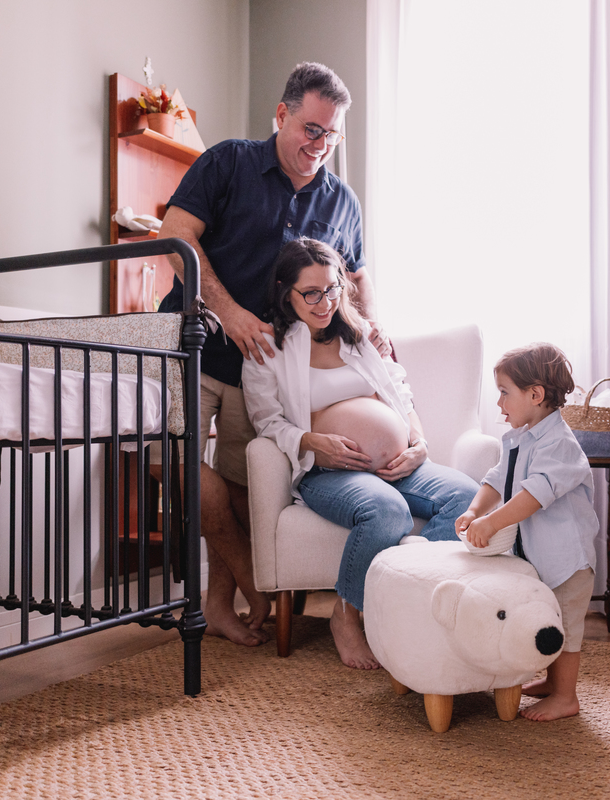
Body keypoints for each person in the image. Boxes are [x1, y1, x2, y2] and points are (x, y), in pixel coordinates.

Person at [156, 62, 389, 646]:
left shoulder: (343, 202)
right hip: (191, 343)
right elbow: (175, 235)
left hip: (260, 370)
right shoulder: (229, 162)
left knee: (241, 484)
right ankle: (250, 578)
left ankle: (218, 606)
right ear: (282, 115)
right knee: (170, 460)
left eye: (331, 135)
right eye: (311, 129)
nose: (320, 145)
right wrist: (229, 314)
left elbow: (356, 281)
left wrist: (374, 327)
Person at [242, 238, 479, 669]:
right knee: (387, 512)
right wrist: (315, 442)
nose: (324, 302)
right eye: (310, 293)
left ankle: (408, 601)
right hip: (328, 471)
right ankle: (346, 615)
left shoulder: (362, 336)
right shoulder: (270, 348)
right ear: (285, 292)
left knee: (468, 497)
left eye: (332, 289)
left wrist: (419, 444)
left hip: (399, 464)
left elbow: (401, 394)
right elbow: (267, 422)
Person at [455, 343, 599, 721]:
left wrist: (492, 522)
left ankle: (566, 696)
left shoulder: (560, 445)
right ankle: (553, 682)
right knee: (547, 617)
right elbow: (498, 477)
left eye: (504, 393)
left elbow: (534, 496)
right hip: (539, 557)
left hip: (567, 561)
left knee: (565, 628)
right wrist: (474, 510)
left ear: (535, 395)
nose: (499, 403)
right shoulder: (519, 437)